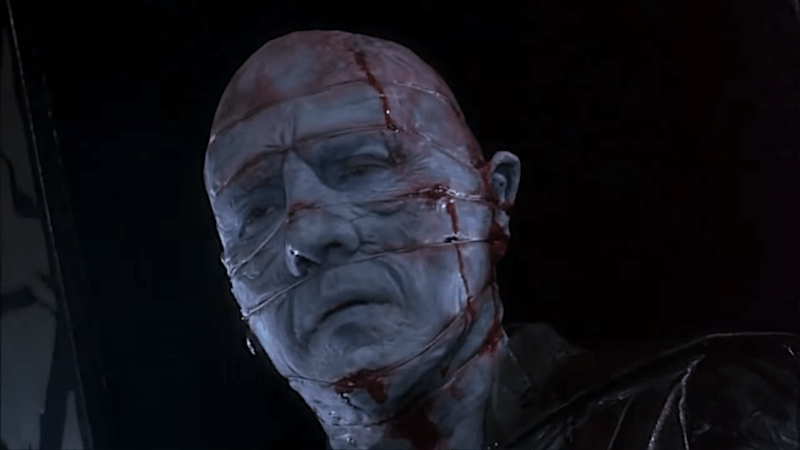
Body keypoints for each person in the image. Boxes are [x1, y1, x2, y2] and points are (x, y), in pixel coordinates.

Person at [203, 30, 799, 449]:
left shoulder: (706, 414)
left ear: (497, 196)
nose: (308, 232)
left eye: (364, 166)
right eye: (256, 211)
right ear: (234, 290)